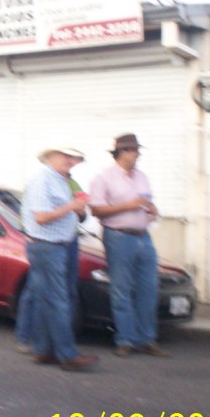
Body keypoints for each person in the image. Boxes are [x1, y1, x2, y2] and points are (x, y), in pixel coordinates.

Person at [88, 133, 170, 358]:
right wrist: (128, 205)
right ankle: (125, 339)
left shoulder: (142, 177)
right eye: (133, 150)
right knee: (121, 288)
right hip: (119, 236)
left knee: (148, 288)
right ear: (122, 152)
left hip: (143, 235)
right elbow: (96, 210)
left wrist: (153, 210)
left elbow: (146, 203)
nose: (137, 154)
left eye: (137, 150)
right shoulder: (104, 178)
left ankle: (146, 338)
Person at [21, 147, 97, 371]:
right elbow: (41, 217)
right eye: (68, 156)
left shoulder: (58, 180)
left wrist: (77, 208)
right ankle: (67, 354)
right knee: (58, 301)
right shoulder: (42, 180)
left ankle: (44, 351)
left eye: (75, 158)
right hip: (48, 246)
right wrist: (72, 206)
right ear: (51, 156)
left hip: (54, 246)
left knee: (48, 300)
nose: (72, 161)